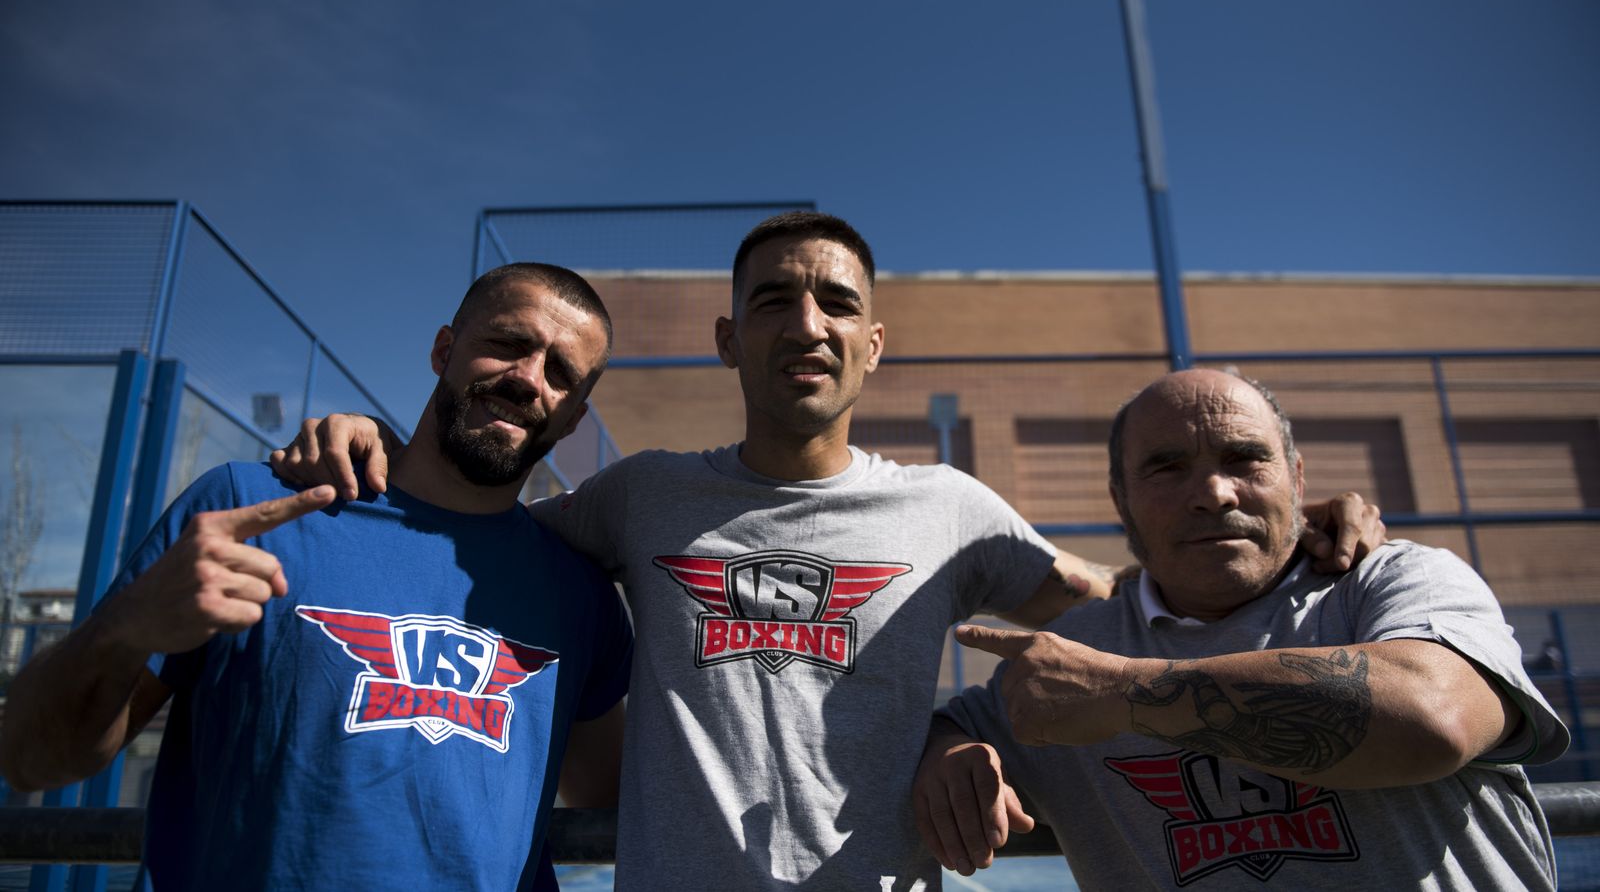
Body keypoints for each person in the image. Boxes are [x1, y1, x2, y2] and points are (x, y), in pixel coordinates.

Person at [272, 213, 1385, 890]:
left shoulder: (950, 508)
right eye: (772, 301)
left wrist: (1285, 543)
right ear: (729, 338)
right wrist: (373, 433)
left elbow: (1135, 604)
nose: (805, 323)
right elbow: (478, 534)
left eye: (835, 304)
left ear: (871, 344)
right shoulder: (643, 496)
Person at [0, 263, 634, 891]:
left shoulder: (577, 591)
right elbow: (33, 760)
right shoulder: (251, 511)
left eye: (560, 374)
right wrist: (122, 629)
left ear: (573, 416)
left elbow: (618, 795)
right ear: (445, 349)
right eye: (507, 344)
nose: (528, 380)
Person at [915, 368, 1569, 889]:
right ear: (1120, 500)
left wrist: (1121, 695)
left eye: (1245, 458)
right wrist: (949, 751)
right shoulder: (1079, 650)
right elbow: (959, 725)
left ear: (1298, 477)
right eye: (1168, 467)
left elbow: (1433, 717)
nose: (1216, 493)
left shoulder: (1395, 582)